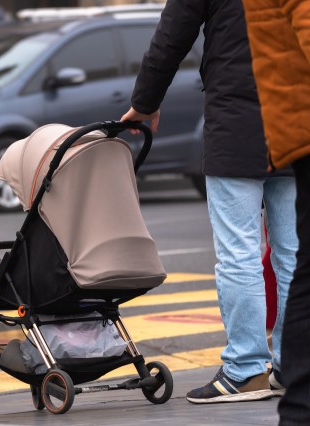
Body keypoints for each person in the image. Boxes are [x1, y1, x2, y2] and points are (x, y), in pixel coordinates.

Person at [120, 0, 298, 404]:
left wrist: (145, 103)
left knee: (240, 253)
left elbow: (171, 38)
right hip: (295, 119)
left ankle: (246, 369)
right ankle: (295, 365)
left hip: (237, 124)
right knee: (295, 254)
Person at [242, 1, 310, 423]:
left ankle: (282, 382)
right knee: (282, 259)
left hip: (289, 125)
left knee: (296, 261)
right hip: (284, 124)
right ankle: (260, 371)